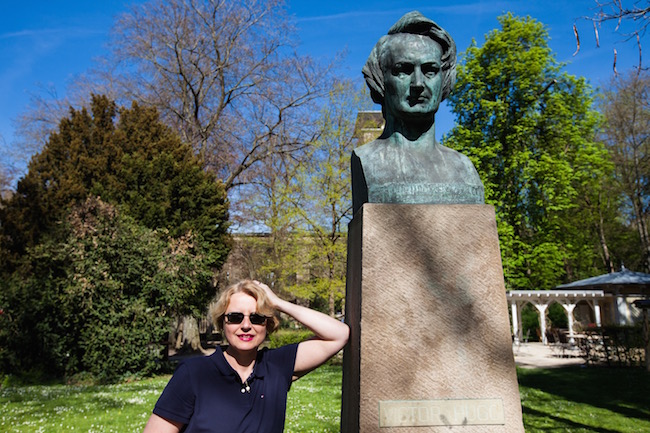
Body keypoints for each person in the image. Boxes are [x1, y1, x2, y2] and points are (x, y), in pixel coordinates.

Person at [142, 279, 349, 433]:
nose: (246, 325)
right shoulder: (194, 374)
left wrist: (277, 303)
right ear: (223, 323)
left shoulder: (276, 366)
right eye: (235, 317)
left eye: (257, 317)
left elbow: (338, 334)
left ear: (267, 324)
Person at [352, 11, 484, 215]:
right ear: (380, 80)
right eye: (403, 70)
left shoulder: (464, 169)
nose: (418, 84)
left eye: (430, 70)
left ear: (445, 79)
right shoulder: (366, 161)